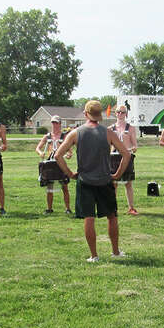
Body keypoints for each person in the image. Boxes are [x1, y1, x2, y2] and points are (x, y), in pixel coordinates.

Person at [53, 100, 131, 262]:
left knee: (89, 218)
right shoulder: (108, 133)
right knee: (112, 216)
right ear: (100, 114)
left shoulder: (76, 133)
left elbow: (57, 155)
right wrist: (116, 174)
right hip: (105, 180)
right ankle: (115, 252)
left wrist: (70, 173)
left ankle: (94, 255)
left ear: (85, 114)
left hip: (85, 181)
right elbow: (126, 154)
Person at [36, 115, 72, 214]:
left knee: (64, 186)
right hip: (50, 163)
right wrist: (40, 153)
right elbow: (38, 148)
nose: (54, 125)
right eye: (53, 123)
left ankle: (68, 208)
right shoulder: (47, 136)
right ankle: (49, 209)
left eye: (56, 123)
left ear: (60, 124)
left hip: (60, 162)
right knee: (49, 186)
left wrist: (68, 155)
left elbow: (70, 151)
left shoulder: (64, 136)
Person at [111, 103, 140, 215]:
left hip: (127, 157)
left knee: (128, 183)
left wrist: (130, 149)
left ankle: (131, 207)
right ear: (115, 114)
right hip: (113, 158)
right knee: (114, 183)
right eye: (118, 112)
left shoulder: (131, 128)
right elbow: (107, 145)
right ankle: (112, 207)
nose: (120, 114)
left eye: (122, 112)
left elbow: (135, 146)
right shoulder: (110, 129)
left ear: (126, 114)